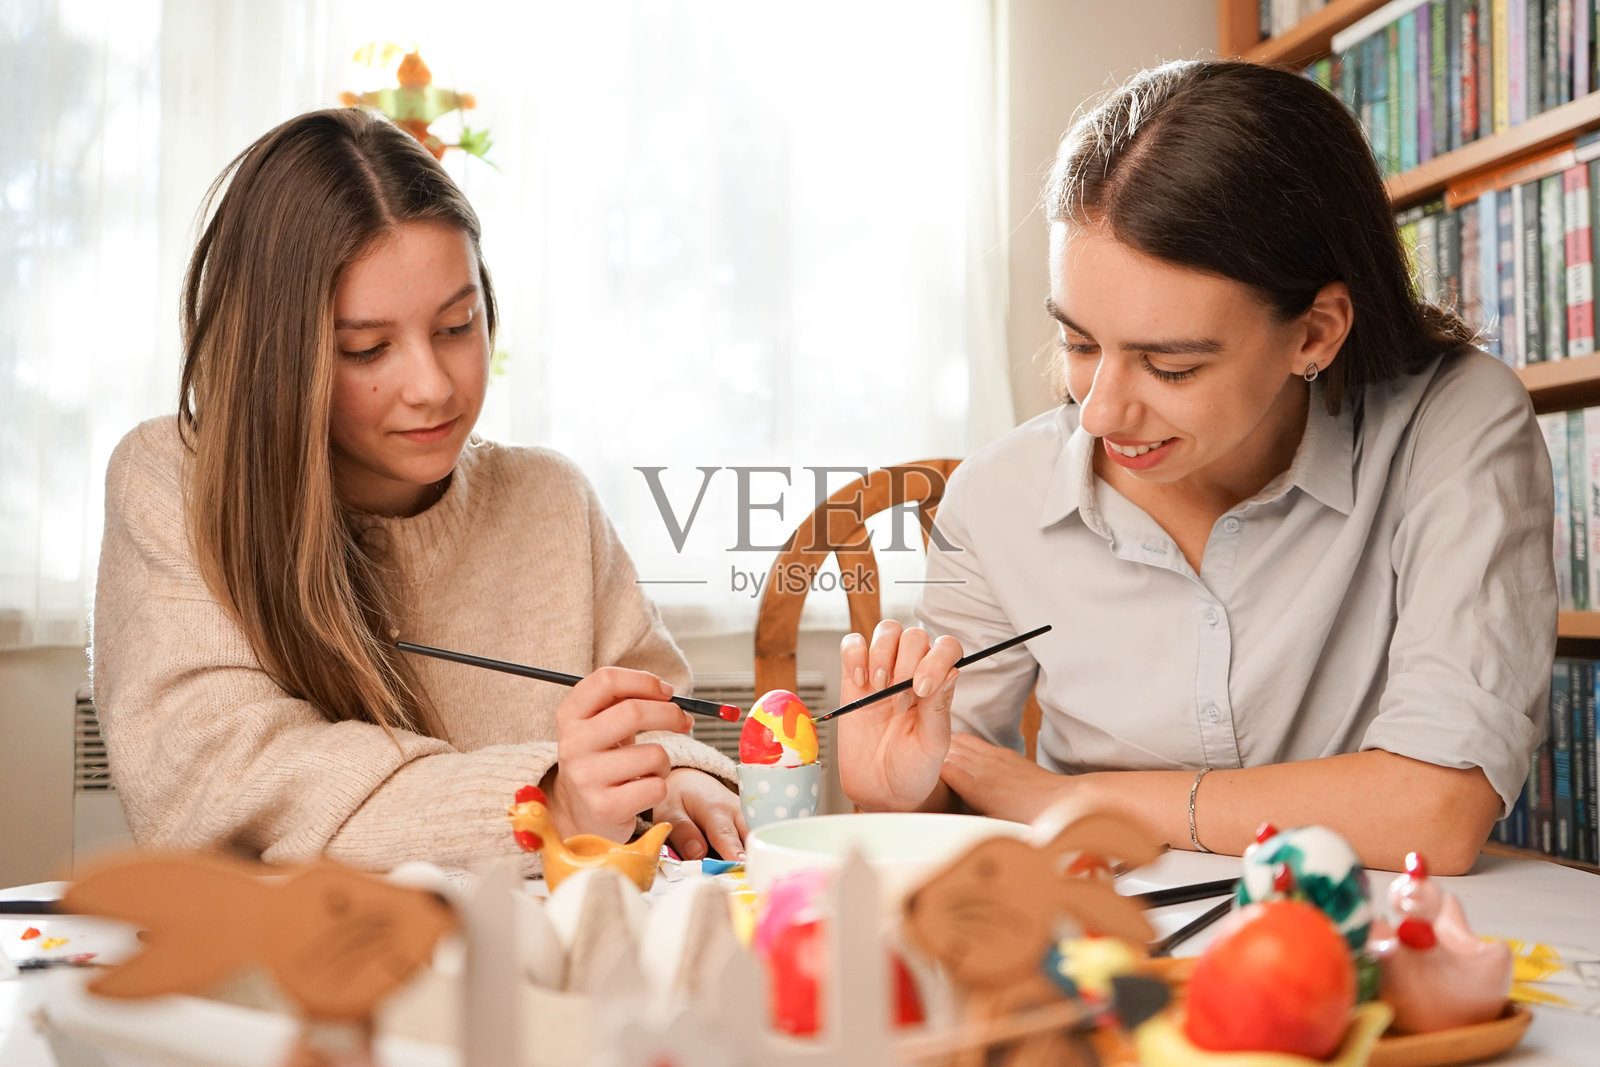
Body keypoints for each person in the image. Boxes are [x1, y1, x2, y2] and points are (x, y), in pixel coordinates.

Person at [836, 60, 1556, 875]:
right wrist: (905, 792)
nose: (1100, 412)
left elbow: (1434, 809)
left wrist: (1078, 800)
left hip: (1369, 944)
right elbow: (963, 786)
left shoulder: (1450, 422)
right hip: (1110, 936)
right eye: (1078, 343)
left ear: (1316, 332)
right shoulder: (998, 497)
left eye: (1171, 366)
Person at [92, 107, 742, 872]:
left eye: (458, 326)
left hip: (538, 978)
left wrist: (681, 778)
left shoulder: (552, 499)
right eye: (368, 348)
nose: (433, 386)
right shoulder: (172, 483)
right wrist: (546, 802)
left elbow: (657, 724)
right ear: (277, 356)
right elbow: (232, 794)